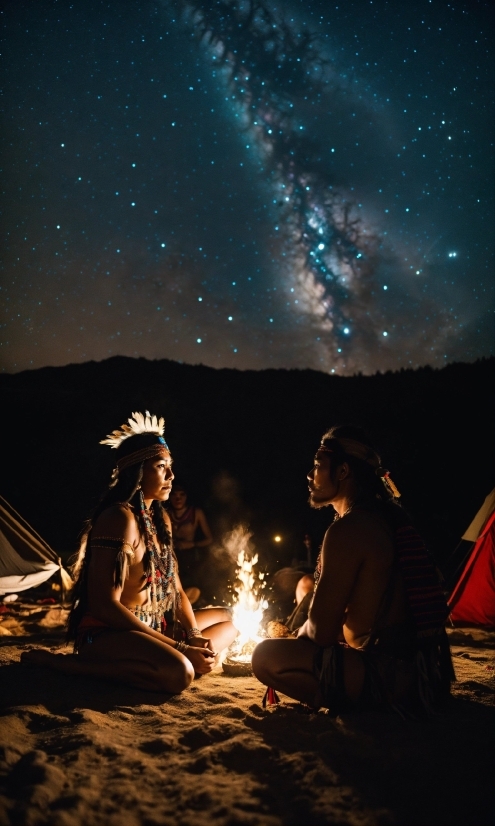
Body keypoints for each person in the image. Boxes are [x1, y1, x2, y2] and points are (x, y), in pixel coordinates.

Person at [22, 411, 237, 693]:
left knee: (229, 621)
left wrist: (194, 635)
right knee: (179, 673)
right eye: (161, 466)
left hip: (155, 627)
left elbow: (177, 590)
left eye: (170, 466)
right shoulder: (118, 518)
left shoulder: (162, 521)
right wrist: (181, 646)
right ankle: (65, 665)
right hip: (110, 633)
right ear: (137, 471)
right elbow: (104, 606)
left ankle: (180, 658)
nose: (172, 476)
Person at [252, 425, 454, 715]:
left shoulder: (349, 529)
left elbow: (321, 633)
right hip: (423, 673)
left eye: (319, 465)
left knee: (265, 656)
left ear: (343, 472)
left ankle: (365, 708)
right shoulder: (381, 518)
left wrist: (296, 636)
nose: (310, 474)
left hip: (394, 676)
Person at [169, 482, 213, 604]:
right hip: (173, 557)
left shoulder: (196, 513)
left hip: (191, 558)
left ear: (187, 497)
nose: (178, 499)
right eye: (174, 495)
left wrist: (193, 544)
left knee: (192, 588)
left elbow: (209, 539)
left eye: (182, 495)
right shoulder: (166, 513)